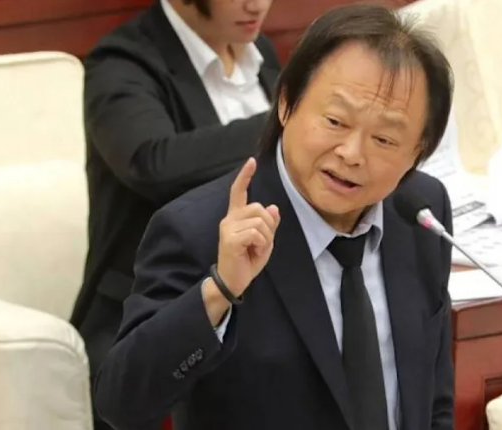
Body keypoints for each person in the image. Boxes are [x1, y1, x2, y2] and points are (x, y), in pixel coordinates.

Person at [94, 4, 455, 430]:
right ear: (285, 103)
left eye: (384, 139)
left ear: (419, 150)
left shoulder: (421, 213)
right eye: (335, 121)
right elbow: (122, 403)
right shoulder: (200, 229)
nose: (352, 154)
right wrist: (220, 290)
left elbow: (433, 398)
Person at [70, 0, 278, 428]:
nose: (256, 4)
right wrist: (289, 120)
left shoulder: (259, 51)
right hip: (155, 311)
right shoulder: (121, 61)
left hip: (265, 301)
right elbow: (153, 163)